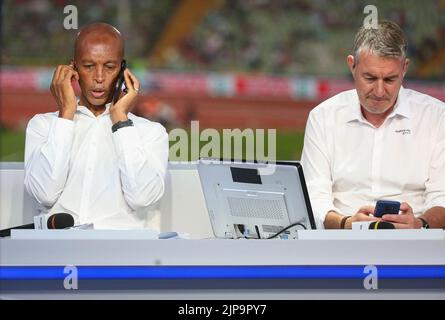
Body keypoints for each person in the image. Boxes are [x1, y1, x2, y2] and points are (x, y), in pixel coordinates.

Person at [301, 20, 445, 229]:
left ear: (405, 68)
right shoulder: (323, 117)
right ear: (352, 65)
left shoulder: (437, 116)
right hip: (343, 240)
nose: (379, 91)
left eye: (390, 80)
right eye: (369, 78)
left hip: (415, 241)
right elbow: (313, 198)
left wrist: (418, 224)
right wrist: (347, 223)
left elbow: (442, 196)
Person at [24, 23, 169, 229]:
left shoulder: (151, 133)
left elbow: (141, 198)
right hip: (57, 251)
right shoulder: (42, 126)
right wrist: (66, 114)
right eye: (89, 66)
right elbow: (44, 194)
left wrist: (120, 119)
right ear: (73, 69)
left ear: (122, 70)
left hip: (118, 254)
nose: (99, 77)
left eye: (109, 67)